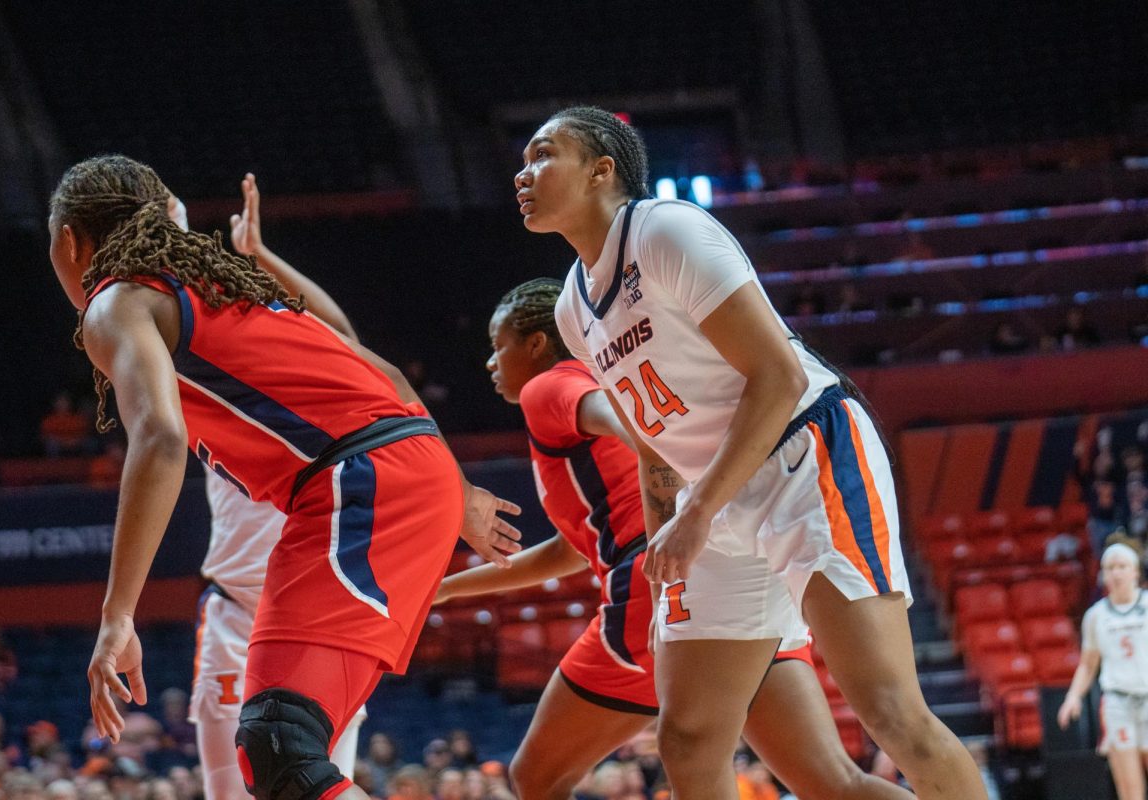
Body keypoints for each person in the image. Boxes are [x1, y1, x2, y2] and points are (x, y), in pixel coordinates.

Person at [520, 106, 983, 799]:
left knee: (891, 714)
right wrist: (662, 567)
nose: (523, 174)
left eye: (542, 154)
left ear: (601, 171)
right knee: (688, 736)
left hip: (805, 454)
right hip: (712, 496)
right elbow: (652, 448)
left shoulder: (666, 231)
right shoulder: (570, 311)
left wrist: (699, 512)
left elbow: (781, 376)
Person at [47, 155, 521, 800]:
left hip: (356, 484)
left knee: (279, 743)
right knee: (281, 745)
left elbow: (159, 440)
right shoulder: (227, 289)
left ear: (69, 241)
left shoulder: (116, 301)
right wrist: (456, 493)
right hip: (398, 469)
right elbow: (386, 374)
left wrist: (117, 616)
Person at [436, 278, 913, 800]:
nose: (489, 362)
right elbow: (575, 549)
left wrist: (667, 517)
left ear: (535, 344)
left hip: (659, 587)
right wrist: (446, 589)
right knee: (835, 784)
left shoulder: (548, 387)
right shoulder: (604, 393)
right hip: (733, 569)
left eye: (496, 345)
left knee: (536, 776)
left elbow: (637, 428)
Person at [167, 179, 369, 800]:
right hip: (237, 611)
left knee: (315, 787)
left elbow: (347, 340)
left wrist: (262, 256)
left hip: (318, 615)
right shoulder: (187, 357)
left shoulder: (302, 365)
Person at [1058, 542, 1148, 800]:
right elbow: (1088, 664)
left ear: (1135, 572)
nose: (1116, 573)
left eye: (1122, 566)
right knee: (1130, 790)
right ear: (1103, 575)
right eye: (1110, 568)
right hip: (1118, 703)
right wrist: (1073, 696)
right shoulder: (1095, 616)